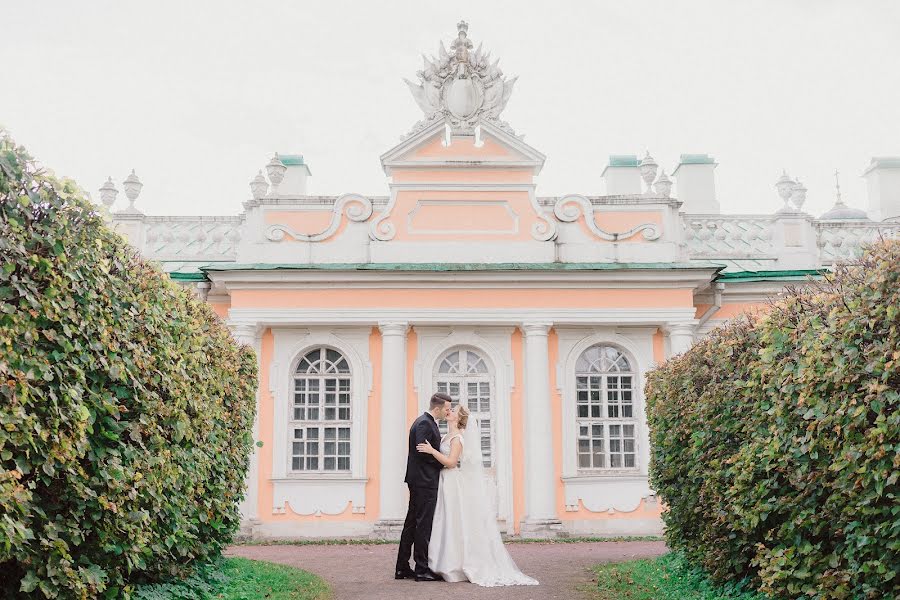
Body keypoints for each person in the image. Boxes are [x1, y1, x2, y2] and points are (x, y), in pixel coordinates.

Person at [417, 404, 539, 587]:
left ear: (458, 419)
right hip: (443, 481)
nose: (449, 411)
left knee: (452, 521)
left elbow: (451, 463)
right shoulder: (446, 436)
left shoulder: (457, 438)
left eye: (453, 411)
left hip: (451, 482)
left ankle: (455, 565)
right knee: (443, 521)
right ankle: (442, 563)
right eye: (449, 410)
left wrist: (432, 451)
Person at [395, 392, 450, 582]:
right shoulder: (425, 423)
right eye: (447, 409)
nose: (448, 412)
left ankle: (402, 568)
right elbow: (422, 452)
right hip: (424, 482)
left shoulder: (425, 422)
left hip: (419, 480)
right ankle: (421, 569)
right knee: (422, 525)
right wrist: (443, 464)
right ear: (437, 408)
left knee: (412, 523)